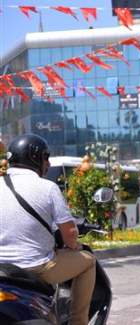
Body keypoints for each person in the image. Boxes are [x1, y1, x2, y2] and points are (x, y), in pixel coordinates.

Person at [0, 134, 96, 325]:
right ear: (34, 158)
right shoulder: (48, 187)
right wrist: (74, 245)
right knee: (89, 261)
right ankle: (78, 321)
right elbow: (69, 233)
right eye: (46, 157)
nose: (49, 164)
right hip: (36, 266)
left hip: (3, 268)